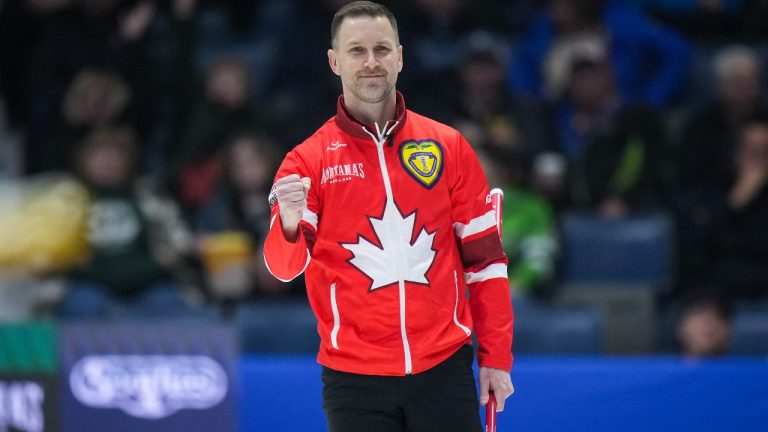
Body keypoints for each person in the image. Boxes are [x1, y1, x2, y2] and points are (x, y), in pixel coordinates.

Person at [262, 2, 514, 431]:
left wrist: (495, 358)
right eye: (357, 51)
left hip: (445, 368)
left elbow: (485, 263)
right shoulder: (307, 161)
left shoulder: (448, 146)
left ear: (400, 55)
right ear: (334, 61)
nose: (371, 62)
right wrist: (287, 223)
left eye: (381, 49)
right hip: (354, 379)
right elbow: (284, 270)